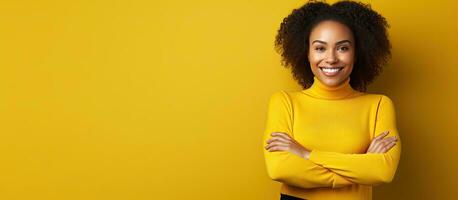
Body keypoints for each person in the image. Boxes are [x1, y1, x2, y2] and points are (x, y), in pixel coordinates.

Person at [262, 1, 401, 200]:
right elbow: (279, 169)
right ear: (307, 53)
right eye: (320, 48)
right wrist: (361, 167)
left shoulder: (379, 105)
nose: (331, 58)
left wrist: (306, 154)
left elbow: (383, 171)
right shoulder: (284, 102)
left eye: (343, 48)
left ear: (357, 53)